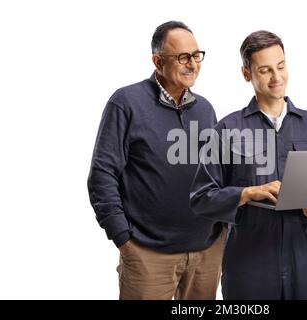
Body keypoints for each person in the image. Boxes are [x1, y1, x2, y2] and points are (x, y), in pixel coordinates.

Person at [190, 30, 307, 299]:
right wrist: (246, 193)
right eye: (265, 70)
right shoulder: (227, 129)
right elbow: (201, 198)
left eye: (281, 66)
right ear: (247, 74)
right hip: (248, 269)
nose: (277, 77)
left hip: (300, 265)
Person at [88, 21, 225, 300]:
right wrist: (124, 239)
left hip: (206, 253)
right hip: (148, 255)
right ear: (157, 61)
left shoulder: (206, 109)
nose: (192, 64)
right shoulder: (126, 102)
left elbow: (216, 175)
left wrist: (223, 230)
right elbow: (102, 174)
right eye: (182, 57)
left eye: (196, 55)